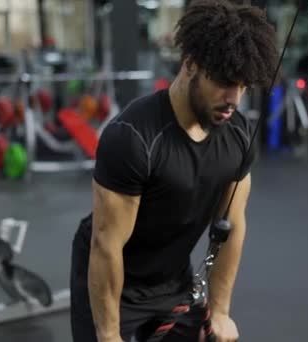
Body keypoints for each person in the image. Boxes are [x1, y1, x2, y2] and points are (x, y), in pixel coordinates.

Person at [70, 1, 279, 341]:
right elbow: (107, 245)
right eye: (225, 82)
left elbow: (232, 224)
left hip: (172, 279)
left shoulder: (238, 135)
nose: (234, 99)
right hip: (115, 280)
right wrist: (109, 336)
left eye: (242, 86)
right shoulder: (134, 138)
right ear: (191, 64)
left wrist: (221, 310)